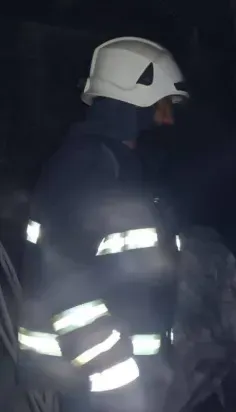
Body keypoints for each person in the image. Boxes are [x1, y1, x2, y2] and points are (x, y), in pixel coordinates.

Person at [16, 36, 190, 411]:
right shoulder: (87, 166)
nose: (169, 118)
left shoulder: (117, 166)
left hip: (119, 381)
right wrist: (116, 379)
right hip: (92, 385)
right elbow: (64, 281)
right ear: (135, 98)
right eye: (163, 104)